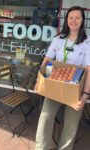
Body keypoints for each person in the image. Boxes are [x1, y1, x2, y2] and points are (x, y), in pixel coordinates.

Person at [35, 6, 90, 150]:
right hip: (55, 84)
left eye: (77, 17)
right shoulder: (58, 39)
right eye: (71, 17)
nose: (73, 20)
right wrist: (39, 80)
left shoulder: (87, 43)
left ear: (82, 20)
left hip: (75, 88)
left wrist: (85, 95)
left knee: (71, 125)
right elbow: (46, 61)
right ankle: (41, 148)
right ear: (66, 20)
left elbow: (89, 70)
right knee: (45, 118)